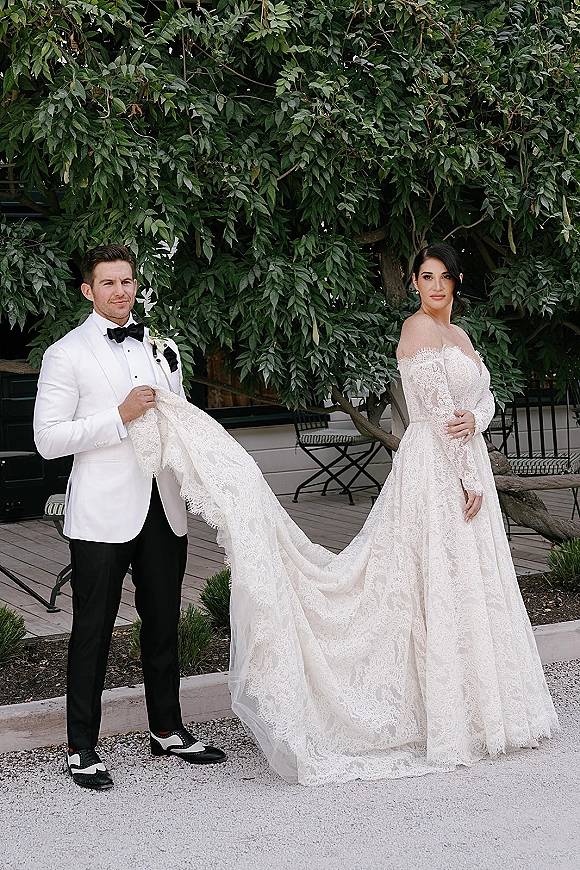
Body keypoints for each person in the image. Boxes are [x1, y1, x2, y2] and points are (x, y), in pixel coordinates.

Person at [126, 242, 558, 785]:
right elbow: (438, 416)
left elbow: (483, 398)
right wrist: (470, 478)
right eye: (425, 277)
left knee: (468, 583)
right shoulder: (418, 331)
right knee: (436, 582)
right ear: (417, 284)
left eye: (443, 277)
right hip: (440, 471)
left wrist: (477, 417)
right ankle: (445, 714)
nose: (435, 286)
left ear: (457, 281)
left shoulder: (462, 336)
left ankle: (479, 709)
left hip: (464, 460)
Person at [33, 244, 226, 791]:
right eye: (109, 283)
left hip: (163, 506)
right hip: (101, 512)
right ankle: (82, 747)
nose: (122, 291)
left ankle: (168, 730)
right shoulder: (65, 354)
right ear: (87, 291)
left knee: (164, 622)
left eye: (127, 281)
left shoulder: (157, 348)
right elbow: (47, 440)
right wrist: (118, 416)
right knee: (91, 628)